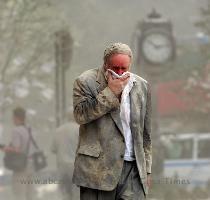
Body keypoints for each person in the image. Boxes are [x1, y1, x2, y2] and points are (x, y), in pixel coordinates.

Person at [72, 42, 152, 200]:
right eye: (116, 68)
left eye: (125, 68)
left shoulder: (141, 86)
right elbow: (80, 115)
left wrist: (146, 169)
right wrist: (110, 92)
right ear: (105, 64)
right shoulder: (85, 82)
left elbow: (146, 133)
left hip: (134, 170)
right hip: (97, 171)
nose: (120, 73)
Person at [2, 107, 37, 200]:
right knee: (30, 194)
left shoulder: (16, 130)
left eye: (13, 117)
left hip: (21, 166)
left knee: (19, 194)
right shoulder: (30, 129)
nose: (12, 119)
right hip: (31, 164)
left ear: (16, 117)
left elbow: (17, 149)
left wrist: (3, 148)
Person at [51, 111, 79, 200]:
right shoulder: (80, 129)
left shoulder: (58, 130)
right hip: (75, 166)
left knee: (64, 193)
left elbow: (53, 149)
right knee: (76, 192)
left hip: (61, 166)